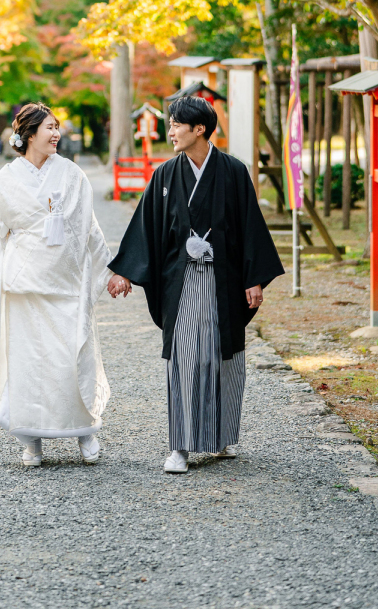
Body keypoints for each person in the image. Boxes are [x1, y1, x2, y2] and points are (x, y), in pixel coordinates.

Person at [107, 95, 284, 473]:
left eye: (176, 125)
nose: (170, 131)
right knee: (184, 358)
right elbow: (145, 227)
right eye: (170, 124)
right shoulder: (165, 175)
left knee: (224, 357)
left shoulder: (233, 172)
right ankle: (181, 446)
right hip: (182, 280)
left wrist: (255, 278)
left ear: (199, 129)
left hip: (224, 280)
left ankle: (222, 436)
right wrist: (124, 271)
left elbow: (250, 227)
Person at [0, 102, 112, 468]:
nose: (57, 133)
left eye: (57, 126)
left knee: (70, 361)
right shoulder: (5, 180)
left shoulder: (72, 174)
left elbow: (90, 228)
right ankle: (31, 440)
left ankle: (84, 432)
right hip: (22, 286)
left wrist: (113, 271)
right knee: (27, 366)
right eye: (50, 127)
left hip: (66, 283)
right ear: (29, 134)